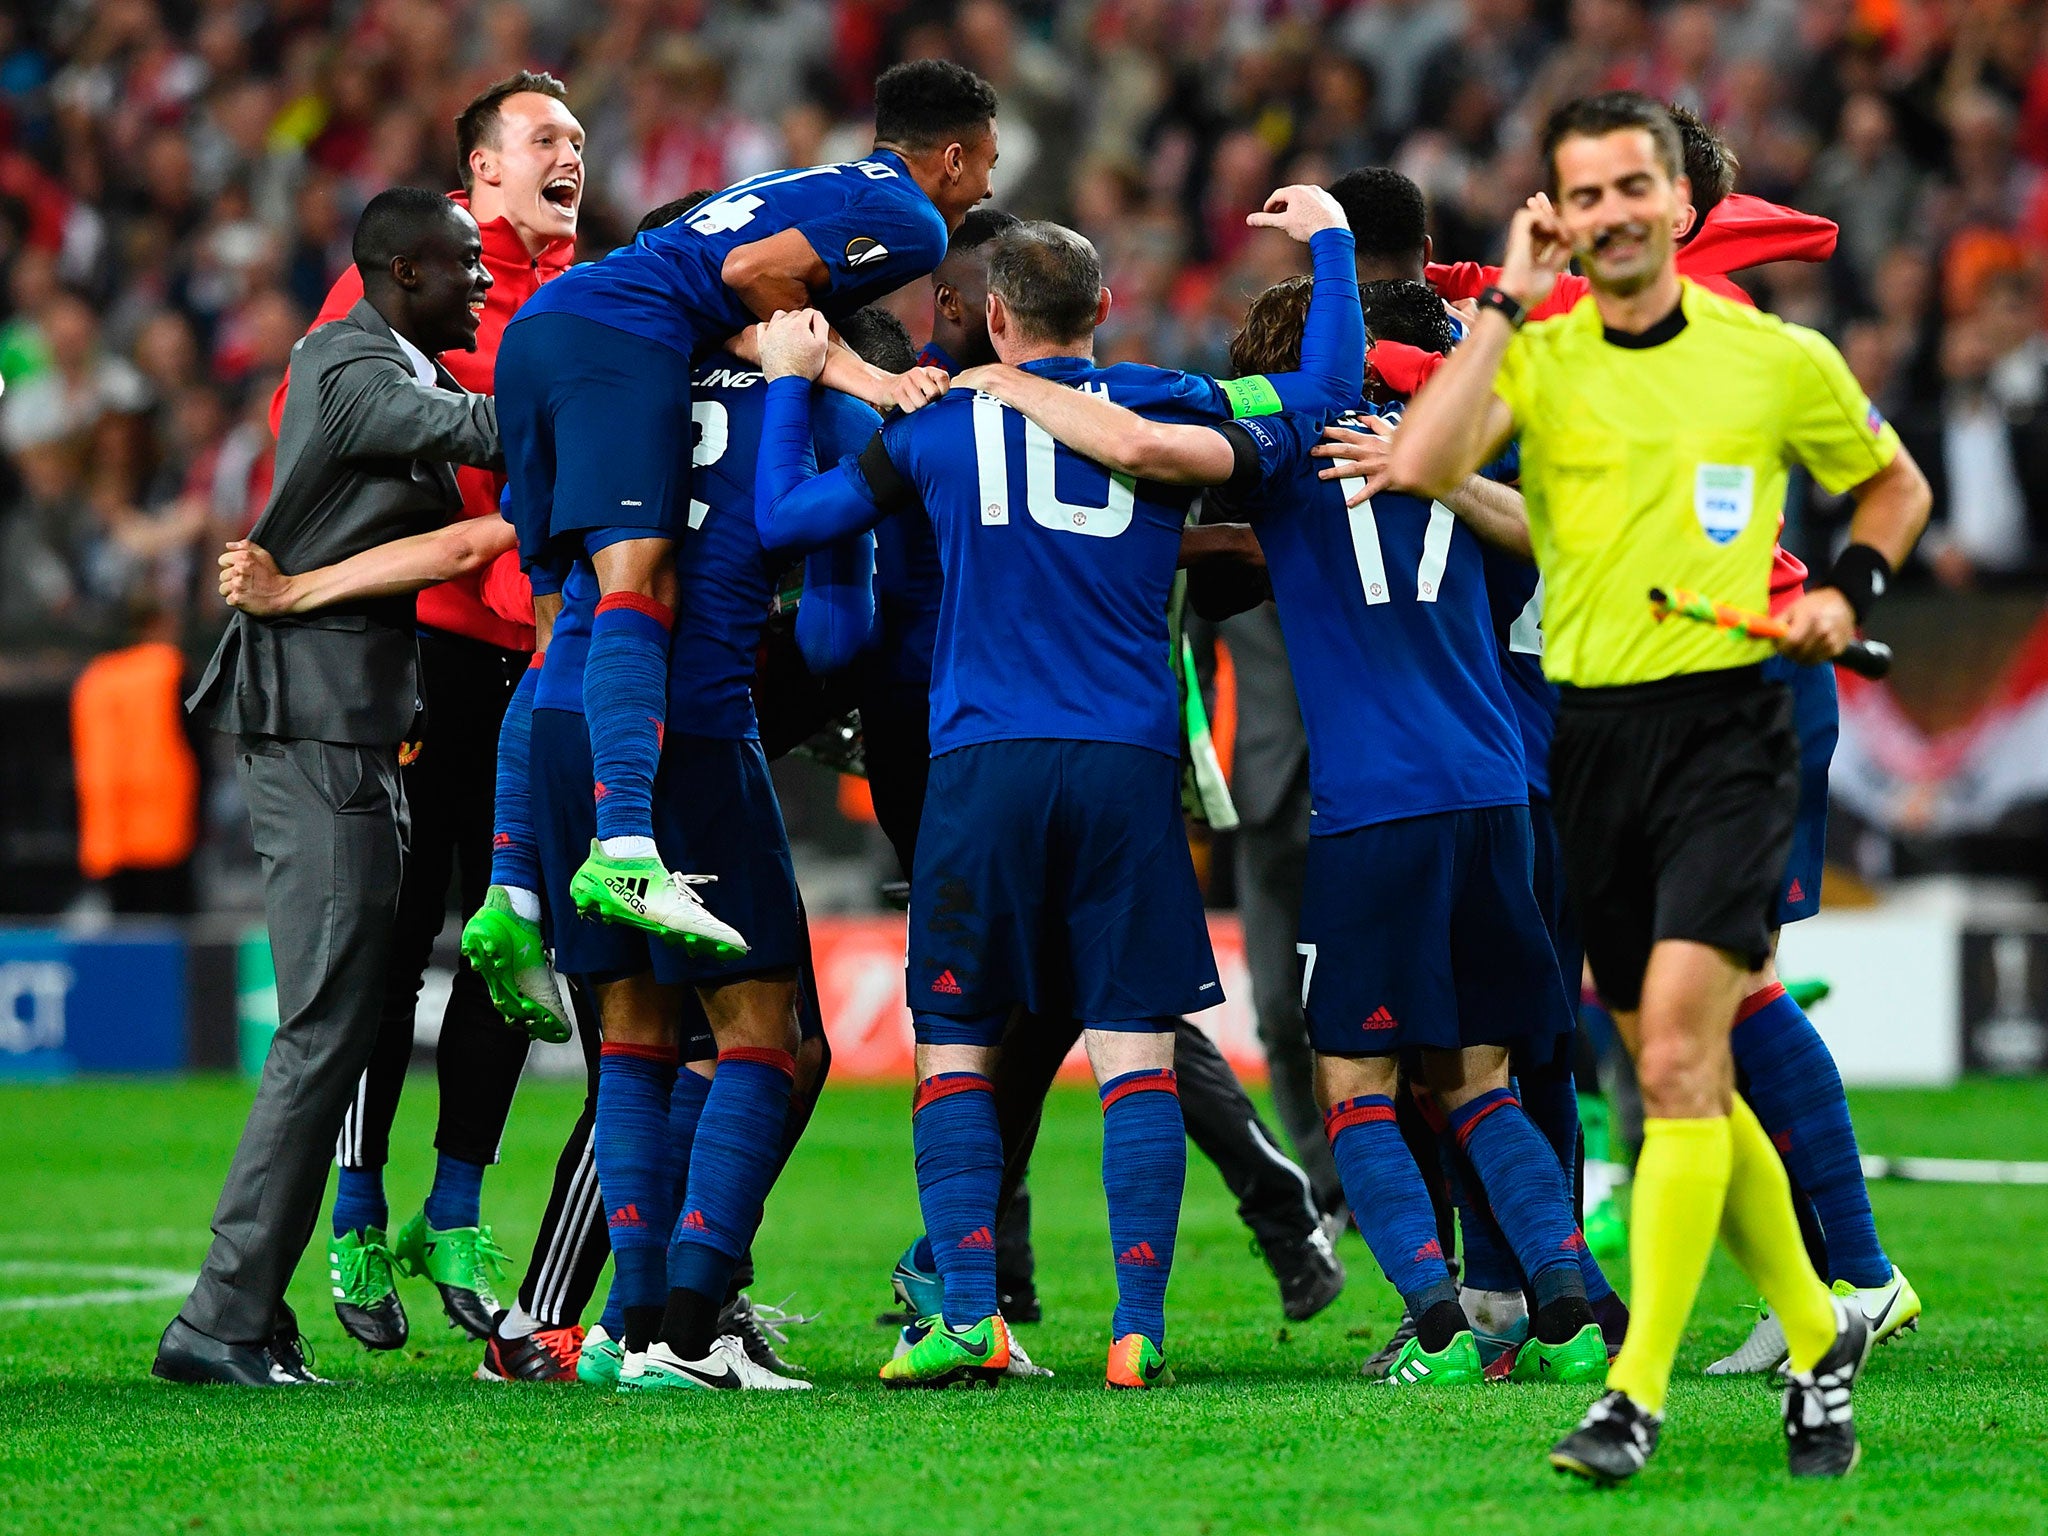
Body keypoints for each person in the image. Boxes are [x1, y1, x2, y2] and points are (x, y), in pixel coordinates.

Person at [1387, 91, 1930, 1482]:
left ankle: (1633, 1396)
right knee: (1673, 1060)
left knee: (1681, 1059)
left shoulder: (1773, 357)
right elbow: (1430, 462)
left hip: (1733, 733)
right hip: (1596, 738)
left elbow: (1894, 490)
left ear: (1685, 206)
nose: (1617, 212)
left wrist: (1846, 592)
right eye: (1587, 195)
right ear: (1557, 219)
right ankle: (1824, 1336)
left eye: (1641, 187)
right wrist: (1503, 305)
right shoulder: (1546, 351)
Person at [954, 275, 1618, 1391]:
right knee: (1478, 1078)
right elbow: (1560, 539)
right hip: (1496, 798)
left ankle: (1441, 1330)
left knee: (1352, 1086)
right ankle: (1562, 1311)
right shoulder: (1463, 457)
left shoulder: (1283, 463)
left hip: (1373, 812)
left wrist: (1003, 386)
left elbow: (1141, 455)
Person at [754, 194, 1363, 1389]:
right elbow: (1321, 395)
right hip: (1124, 765)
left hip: (978, 762)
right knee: (1133, 1047)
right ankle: (1136, 1329)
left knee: (958, 1049)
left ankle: (969, 1314)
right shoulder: (1166, 401)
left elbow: (788, 520)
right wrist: (1331, 247)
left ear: (988, 316)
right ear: (1100, 310)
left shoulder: (933, 426)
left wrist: (791, 383)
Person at [492, 59, 997, 948]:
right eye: (988, 161)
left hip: (548, 334)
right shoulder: (914, 221)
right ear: (952, 158)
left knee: (553, 615)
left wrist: (856, 373)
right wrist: (862, 384)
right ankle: (625, 849)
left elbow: (737, 295)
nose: (990, 181)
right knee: (637, 588)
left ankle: (512, 892)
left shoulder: (809, 183)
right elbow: (755, 272)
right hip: (620, 342)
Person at [155, 188, 502, 1388]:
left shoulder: (372, 357)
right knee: (324, 1031)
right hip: (314, 726)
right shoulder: (354, 363)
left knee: (344, 1025)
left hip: (348, 724)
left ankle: (248, 1309)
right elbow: (486, 434)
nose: (484, 283)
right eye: (464, 267)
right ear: (403, 273)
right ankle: (222, 1316)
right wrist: (625, 395)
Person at [262, 69, 586, 1354]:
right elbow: (329, 433)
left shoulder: (591, 289)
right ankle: (354, 1205)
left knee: (511, 945)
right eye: (544, 139)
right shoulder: (411, 277)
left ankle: (454, 1210)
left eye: (577, 140)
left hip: (538, 659)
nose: (570, 156)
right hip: (429, 652)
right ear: (481, 173)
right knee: (390, 956)